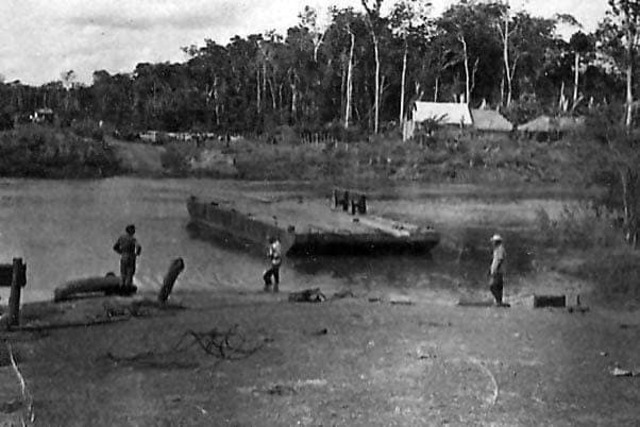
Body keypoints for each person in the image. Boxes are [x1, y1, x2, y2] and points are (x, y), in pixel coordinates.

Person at [113, 224, 142, 288]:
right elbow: (139, 246)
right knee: (129, 274)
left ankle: (121, 287)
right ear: (131, 231)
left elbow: (115, 247)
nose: (134, 231)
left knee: (123, 274)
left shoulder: (121, 238)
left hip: (123, 257)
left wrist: (120, 252)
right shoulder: (133, 239)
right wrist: (137, 254)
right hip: (130, 257)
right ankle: (127, 289)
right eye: (133, 229)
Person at [489, 234, 508, 307]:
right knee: (497, 286)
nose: (492, 243)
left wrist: (495, 270)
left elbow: (499, 260)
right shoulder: (497, 249)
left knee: (493, 286)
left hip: (498, 272)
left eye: (493, 242)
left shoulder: (500, 249)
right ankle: (499, 301)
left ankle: (498, 301)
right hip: (497, 271)